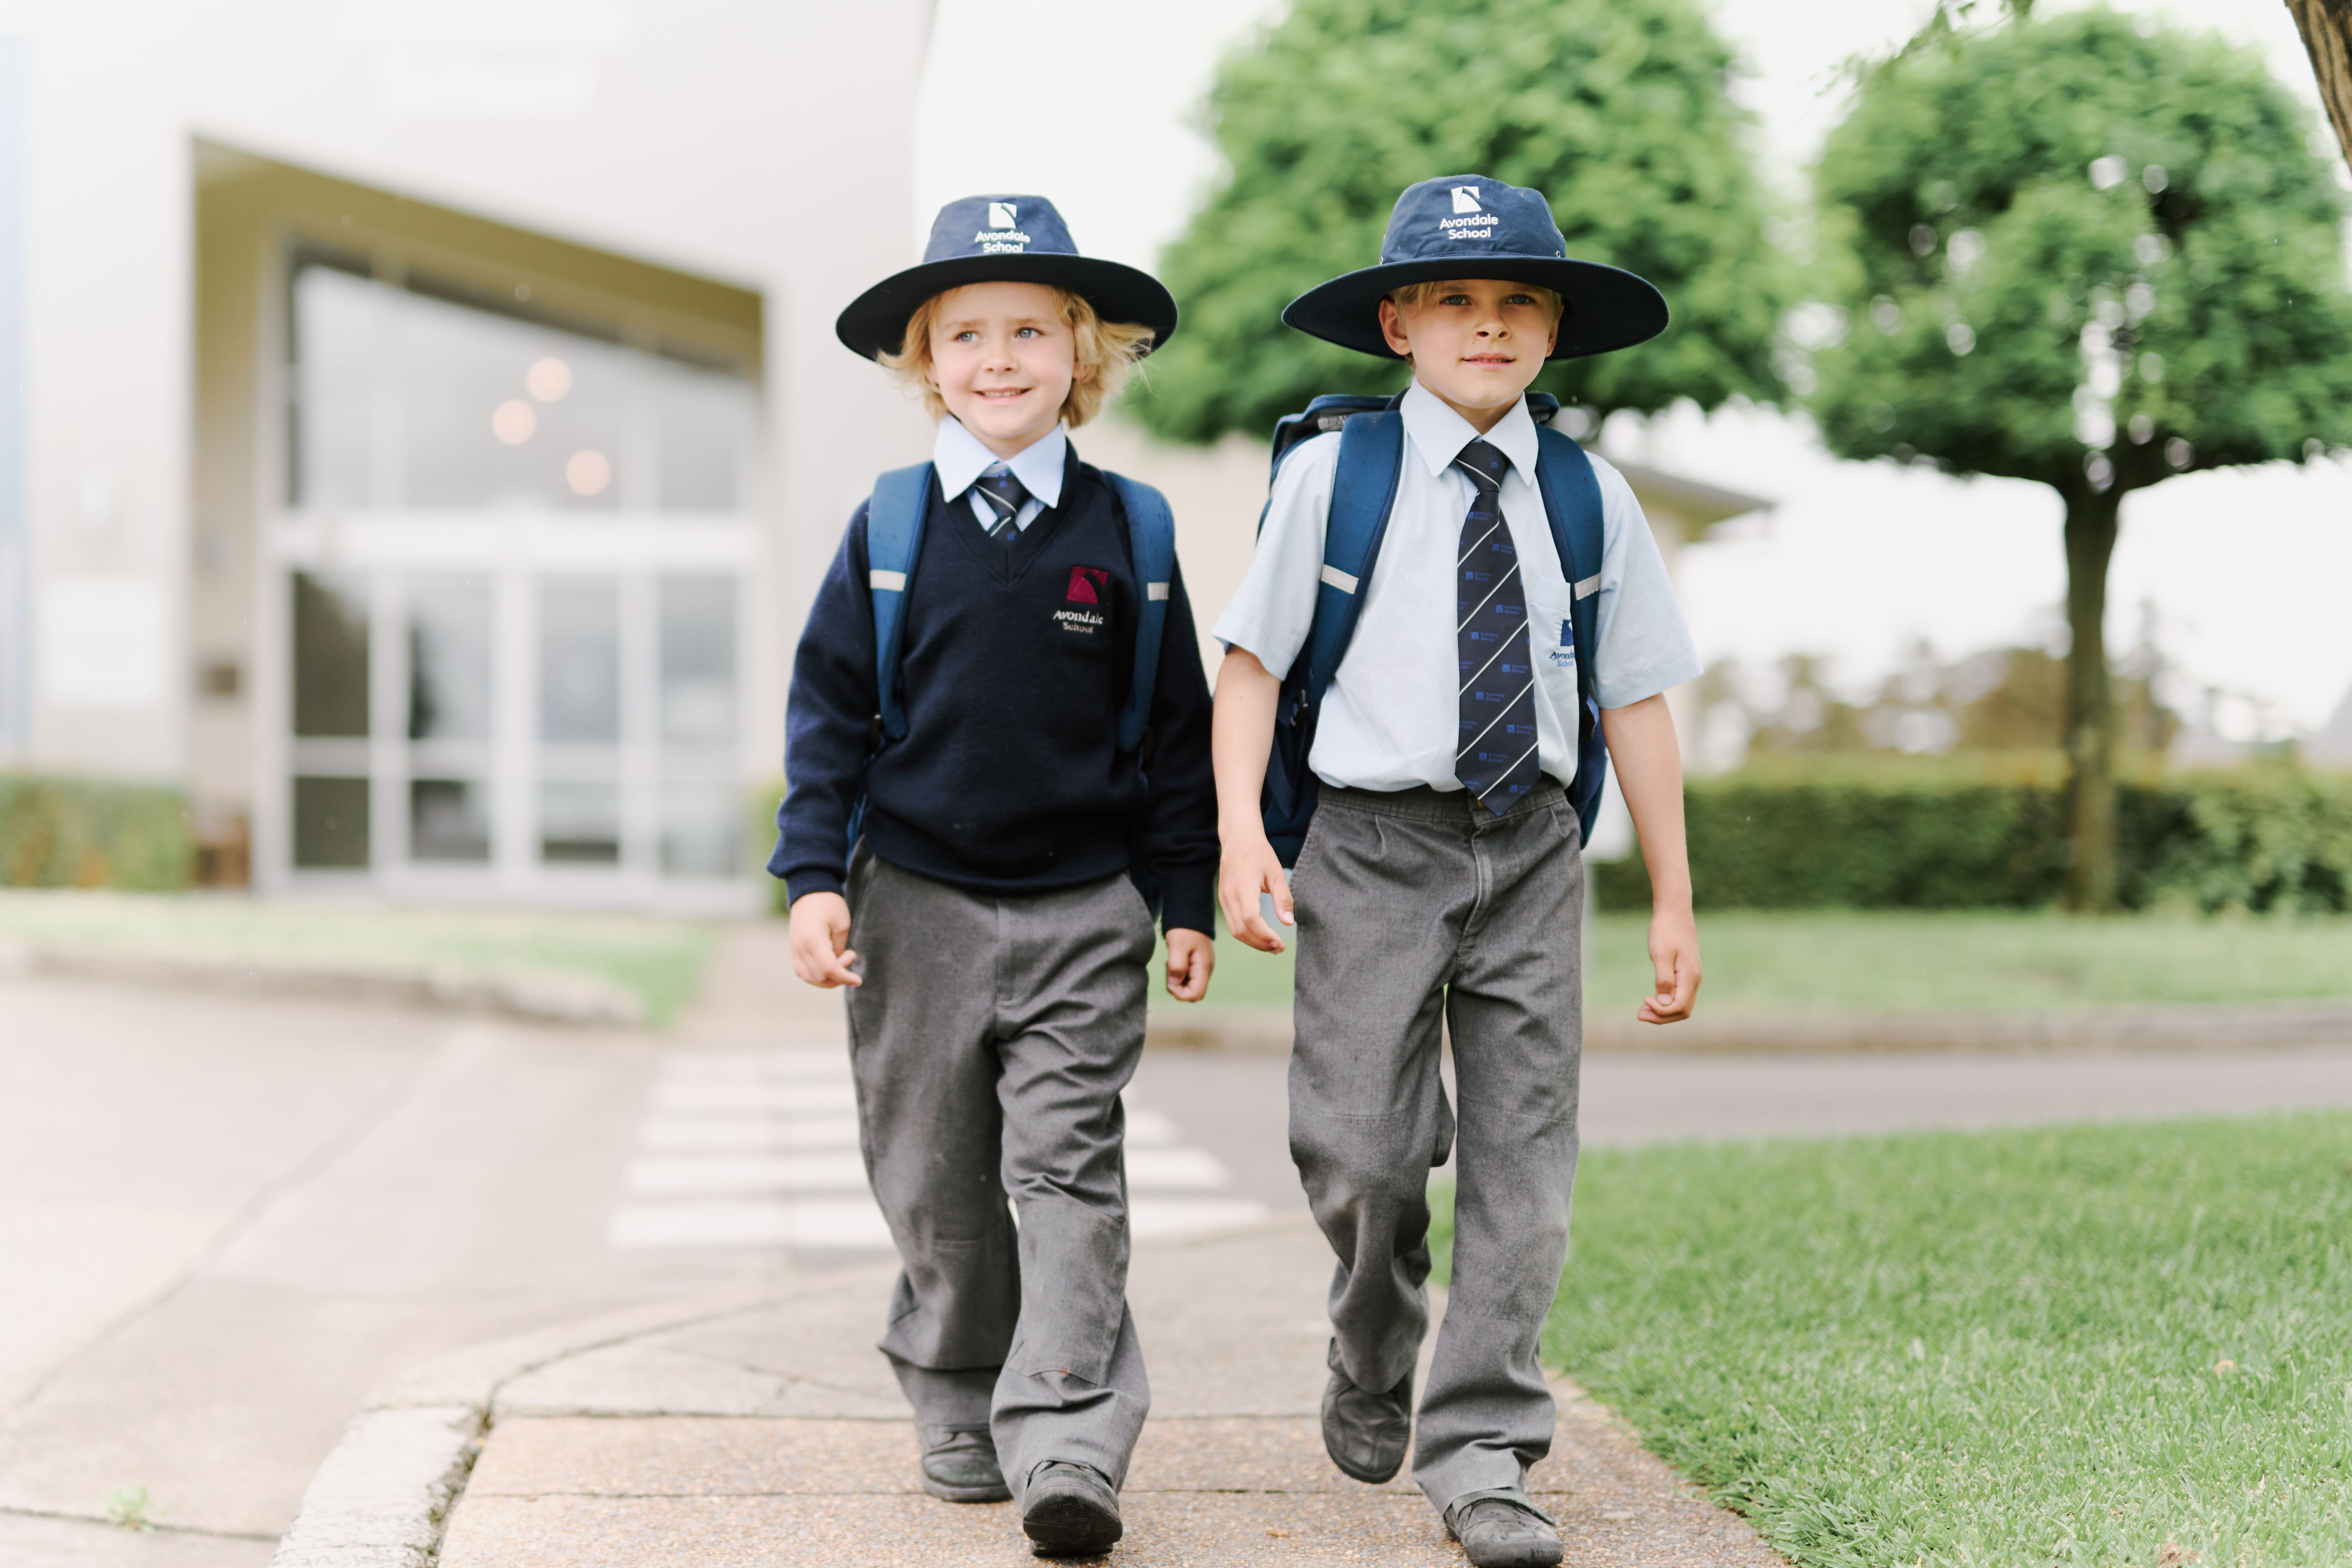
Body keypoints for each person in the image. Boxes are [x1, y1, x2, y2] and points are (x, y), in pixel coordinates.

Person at [1209, 174, 1704, 1568]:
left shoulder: (1589, 496)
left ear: (1553, 330)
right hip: (1371, 849)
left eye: (1517, 303)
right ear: (1399, 323)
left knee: (1524, 1166)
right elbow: (1252, 667)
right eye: (1456, 301)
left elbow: (1639, 700)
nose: (1488, 326)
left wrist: (1671, 893)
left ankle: (1484, 1447)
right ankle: (1373, 1331)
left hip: (1535, 847)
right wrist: (1243, 833)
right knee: (1363, 1152)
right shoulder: (1334, 478)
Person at [771, 193, 1218, 1558]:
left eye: (1032, 330)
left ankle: (1072, 1431)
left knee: (1069, 1172)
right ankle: (959, 1384)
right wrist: (812, 878)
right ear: (928, 364)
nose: (1001, 358)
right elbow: (828, 715)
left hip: (1087, 906)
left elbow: (1179, 733)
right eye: (968, 335)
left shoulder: (1133, 535)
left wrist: (1185, 894)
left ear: (1082, 355)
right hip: (916, 903)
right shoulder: (892, 529)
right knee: (937, 1179)